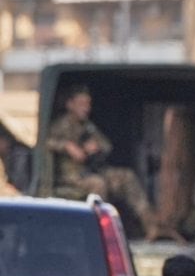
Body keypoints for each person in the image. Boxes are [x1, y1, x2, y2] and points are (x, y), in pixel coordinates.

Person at [45, 84, 169, 240]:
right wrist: (68, 147)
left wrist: (95, 147)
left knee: (126, 176)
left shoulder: (87, 126)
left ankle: (151, 226)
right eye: (82, 104)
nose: (86, 108)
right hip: (71, 177)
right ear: (70, 105)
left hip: (92, 170)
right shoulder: (60, 125)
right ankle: (101, 232)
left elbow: (107, 145)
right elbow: (45, 142)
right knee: (98, 184)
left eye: (88, 104)